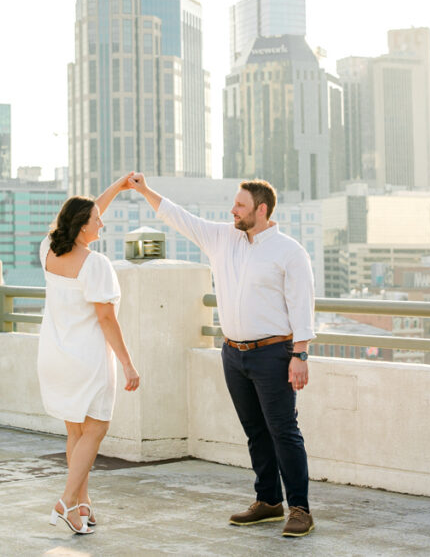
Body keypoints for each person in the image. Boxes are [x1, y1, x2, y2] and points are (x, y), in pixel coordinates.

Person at [129, 173, 316, 538]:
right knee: (255, 432)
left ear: (261, 210)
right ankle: (268, 502)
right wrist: (142, 189)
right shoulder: (220, 238)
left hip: (274, 354)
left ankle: (300, 509)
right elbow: (177, 216)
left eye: (240, 205)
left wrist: (301, 355)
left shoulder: (289, 251)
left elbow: (302, 305)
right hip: (233, 354)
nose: (233, 210)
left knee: (284, 432)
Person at [38, 173, 141, 535]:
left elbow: (83, 213)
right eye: (97, 219)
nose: (103, 221)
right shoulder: (96, 264)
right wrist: (128, 364)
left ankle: (82, 505)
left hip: (55, 356)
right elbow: (106, 318)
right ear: (83, 228)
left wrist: (116, 187)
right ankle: (66, 502)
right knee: (95, 429)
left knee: (76, 432)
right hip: (87, 359)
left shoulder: (48, 250)